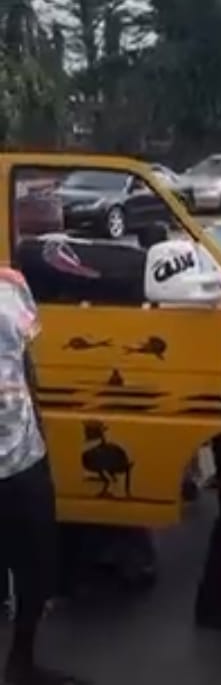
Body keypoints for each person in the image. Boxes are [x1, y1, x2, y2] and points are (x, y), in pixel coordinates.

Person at [0, 267, 86, 685]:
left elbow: (25, 362)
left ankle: (21, 664)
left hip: (22, 456)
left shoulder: (12, 287)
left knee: (37, 567)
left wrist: (40, 429)